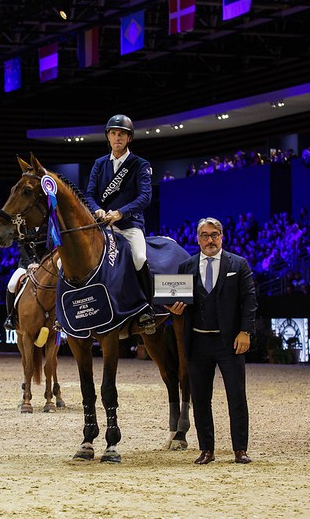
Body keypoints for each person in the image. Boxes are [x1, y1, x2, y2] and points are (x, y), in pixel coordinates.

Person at [166, 217, 257, 465]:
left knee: (237, 396)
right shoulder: (186, 267)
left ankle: (240, 449)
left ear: (222, 236)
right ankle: (207, 449)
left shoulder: (238, 264)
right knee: (200, 398)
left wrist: (245, 331)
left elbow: (249, 301)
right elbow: (177, 301)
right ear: (198, 239)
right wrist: (173, 308)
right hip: (197, 342)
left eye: (214, 234)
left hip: (230, 343)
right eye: (205, 235)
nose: (210, 240)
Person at [84, 114, 155, 331]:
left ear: (129, 138)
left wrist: (120, 213)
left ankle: (146, 308)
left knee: (139, 257)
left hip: (129, 225)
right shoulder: (99, 164)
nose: (117, 138)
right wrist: (97, 210)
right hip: (103, 226)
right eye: (114, 134)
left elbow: (145, 197)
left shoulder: (140, 164)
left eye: (122, 134)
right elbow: (89, 194)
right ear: (108, 136)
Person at [3, 224, 49, 330]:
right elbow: (21, 247)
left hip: (44, 264)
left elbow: (50, 246)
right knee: (12, 284)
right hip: (26, 265)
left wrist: (41, 263)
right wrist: (29, 264)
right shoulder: (23, 227)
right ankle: (10, 317)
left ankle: (61, 318)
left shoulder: (48, 224)